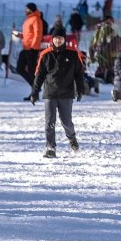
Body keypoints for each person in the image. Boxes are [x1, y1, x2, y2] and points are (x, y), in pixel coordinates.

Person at [29, 25, 84, 158]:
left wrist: (80, 89)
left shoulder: (73, 53)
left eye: (60, 38)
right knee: (49, 122)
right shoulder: (45, 54)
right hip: (50, 93)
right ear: (52, 39)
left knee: (67, 122)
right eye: (55, 38)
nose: (58, 41)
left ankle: (72, 140)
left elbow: (79, 73)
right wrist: (35, 91)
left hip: (66, 93)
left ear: (64, 39)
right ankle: (50, 147)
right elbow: (39, 74)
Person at [16, 2, 43, 99]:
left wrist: (33, 47)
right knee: (20, 68)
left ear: (31, 9)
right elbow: (29, 34)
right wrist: (20, 35)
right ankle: (35, 87)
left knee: (31, 71)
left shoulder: (36, 19)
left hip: (32, 49)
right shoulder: (28, 19)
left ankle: (35, 91)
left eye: (27, 9)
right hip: (26, 47)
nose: (25, 10)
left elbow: (37, 34)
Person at [89, 15, 121, 84]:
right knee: (109, 64)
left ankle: (101, 75)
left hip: (101, 52)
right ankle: (108, 76)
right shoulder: (107, 28)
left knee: (104, 65)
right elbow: (115, 40)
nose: (112, 22)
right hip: (106, 51)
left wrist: (92, 56)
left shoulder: (99, 29)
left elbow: (92, 44)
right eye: (110, 20)